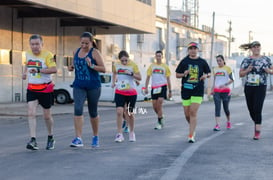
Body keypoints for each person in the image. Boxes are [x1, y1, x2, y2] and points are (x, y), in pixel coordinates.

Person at [68, 32, 106, 148]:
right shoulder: (76, 52)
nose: (84, 45)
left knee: (92, 111)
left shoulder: (95, 53)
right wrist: (71, 67)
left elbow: (103, 69)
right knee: (78, 108)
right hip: (79, 84)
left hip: (93, 86)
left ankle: (95, 136)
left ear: (91, 42)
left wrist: (92, 66)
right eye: (82, 43)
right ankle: (78, 138)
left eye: (87, 43)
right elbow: (74, 65)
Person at [22, 34, 57, 150]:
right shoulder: (27, 54)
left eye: (37, 44)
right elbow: (26, 64)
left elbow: (54, 69)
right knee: (31, 112)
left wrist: (38, 70)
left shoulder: (48, 55)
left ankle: (50, 137)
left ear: (42, 44)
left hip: (45, 88)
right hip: (32, 88)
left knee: (46, 116)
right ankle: (33, 140)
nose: (35, 47)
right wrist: (24, 73)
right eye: (32, 44)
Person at [175, 42, 211, 143]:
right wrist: (184, 74)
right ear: (188, 50)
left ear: (198, 50)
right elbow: (177, 75)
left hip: (197, 90)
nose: (193, 50)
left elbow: (209, 72)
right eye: (191, 48)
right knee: (187, 114)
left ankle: (191, 135)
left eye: (195, 48)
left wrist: (205, 76)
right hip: (186, 90)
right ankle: (192, 127)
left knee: (193, 112)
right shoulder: (184, 61)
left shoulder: (202, 62)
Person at [239, 41, 273, 140]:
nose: (256, 48)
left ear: (260, 48)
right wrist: (247, 70)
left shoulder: (266, 59)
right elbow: (241, 74)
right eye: (254, 47)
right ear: (251, 49)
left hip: (261, 86)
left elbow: (272, 71)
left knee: (258, 108)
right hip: (249, 86)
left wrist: (268, 71)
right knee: (251, 109)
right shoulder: (246, 60)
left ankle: (257, 131)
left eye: (258, 46)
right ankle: (257, 122)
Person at [112, 50, 141, 142]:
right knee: (119, 111)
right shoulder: (116, 65)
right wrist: (113, 82)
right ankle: (119, 134)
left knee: (129, 113)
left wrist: (132, 74)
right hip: (119, 91)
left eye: (126, 60)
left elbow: (140, 77)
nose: (124, 62)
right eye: (122, 61)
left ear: (128, 59)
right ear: (119, 60)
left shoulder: (133, 65)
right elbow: (114, 73)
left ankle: (132, 132)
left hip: (131, 92)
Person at [144, 50, 172, 130]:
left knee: (159, 104)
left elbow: (168, 79)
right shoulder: (152, 66)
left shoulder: (165, 67)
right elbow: (148, 77)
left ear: (162, 57)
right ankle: (161, 116)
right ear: (155, 57)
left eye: (160, 56)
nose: (158, 57)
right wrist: (146, 87)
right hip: (154, 88)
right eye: (157, 56)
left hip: (162, 86)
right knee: (155, 106)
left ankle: (159, 122)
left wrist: (170, 91)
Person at [212, 55, 234, 131]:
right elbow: (214, 80)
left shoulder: (228, 68)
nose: (219, 62)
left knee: (226, 108)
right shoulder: (215, 69)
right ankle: (217, 125)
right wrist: (212, 89)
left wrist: (225, 85)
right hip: (217, 91)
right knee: (217, 108)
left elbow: (232, 79)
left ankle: (228, 121)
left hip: (226, 91)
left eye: (220, 60)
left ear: (223, 60)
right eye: (217, 61)